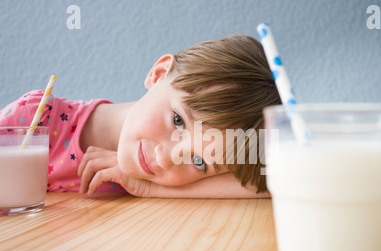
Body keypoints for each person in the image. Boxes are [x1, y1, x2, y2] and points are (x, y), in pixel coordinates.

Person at [0, 34, 281, 198]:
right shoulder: (34, 121)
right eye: (178, 121)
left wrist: (151, 190)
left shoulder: (145, 177)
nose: (164, 159)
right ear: (158, 74)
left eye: (198, 162)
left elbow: (277, 183)